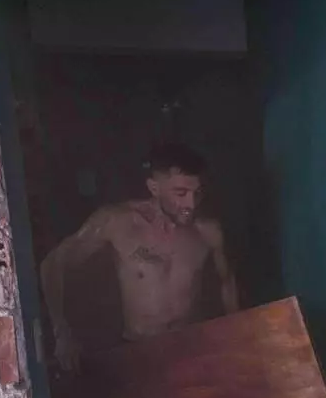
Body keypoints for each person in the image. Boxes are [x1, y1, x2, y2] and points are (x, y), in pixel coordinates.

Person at [40, 143, 239, 370]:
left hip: (190, 346)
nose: (191, 205)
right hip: (140, 349)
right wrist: (61, 331)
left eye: (198, 193)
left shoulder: (208, 231)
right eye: (181, 194)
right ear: (154, 188)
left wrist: (236, 327)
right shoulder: (117, 222)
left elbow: (227, 281)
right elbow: (53, 264)